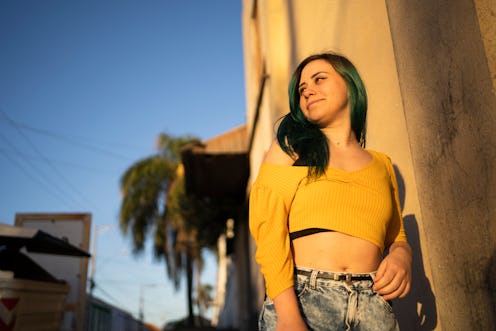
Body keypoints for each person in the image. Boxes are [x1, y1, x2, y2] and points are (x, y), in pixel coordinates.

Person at [249, 52, 412, 331]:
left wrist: (402, 256)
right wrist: (288, 315)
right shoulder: (290, 149)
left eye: (319, 79)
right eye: (302, 89)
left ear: (350, 85)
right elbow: (268, 231)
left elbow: (395, 235)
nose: (308, 90)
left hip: (374, 308)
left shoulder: (382, 165)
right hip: (304, 301)